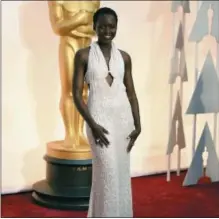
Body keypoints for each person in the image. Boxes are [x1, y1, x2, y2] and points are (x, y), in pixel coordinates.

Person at [73, 7, 141, 217]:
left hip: (123, 122)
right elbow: (76, 93)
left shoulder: (125, 58)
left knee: (120, 174)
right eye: (102, 26)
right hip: (98, 121)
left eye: (111, 26)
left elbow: (131, 94)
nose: (107, 30)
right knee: (107, 173)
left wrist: (138, 125)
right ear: (94, 27)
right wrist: (92, 125)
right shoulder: (83, 55)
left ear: (116, 27)